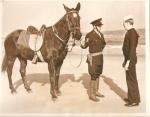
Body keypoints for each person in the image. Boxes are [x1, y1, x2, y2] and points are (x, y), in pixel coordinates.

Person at [80, 18, 106, 102]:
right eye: (99, 26)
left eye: (100, 25)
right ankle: (91, 94)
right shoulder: (89, 35)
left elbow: (104, 44)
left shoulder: (101, 35)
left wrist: (99, 50)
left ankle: (96, 91)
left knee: (98, 74)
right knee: (93, 75)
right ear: (94, 26)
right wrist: (81, 43)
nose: (100, 27)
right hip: (93, 58)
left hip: (100, 57)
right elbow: (85, 46)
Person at [122, 16, 140, 107]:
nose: (123, 25)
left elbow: (132, 49)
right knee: (130, 79)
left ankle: (133, 100)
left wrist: (128, 62)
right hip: (129, 59)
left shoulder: (132, 33)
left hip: (131, 60)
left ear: (128, 23)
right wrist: (125, 60)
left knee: (131, 80)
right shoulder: (131, 32)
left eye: (124, 24)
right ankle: (133, 98)